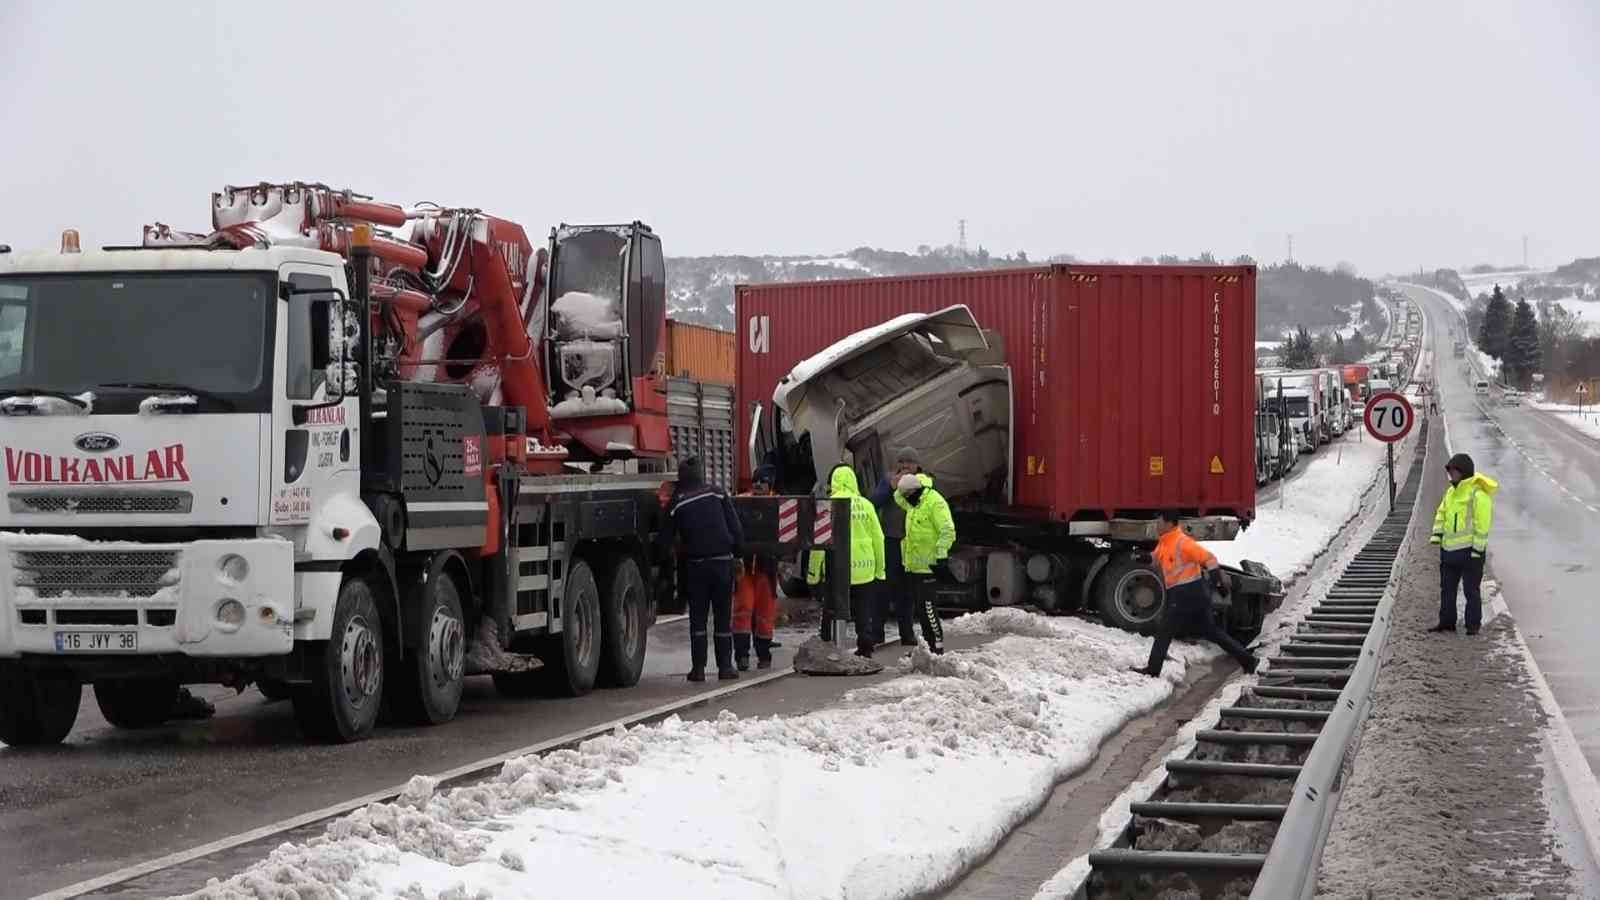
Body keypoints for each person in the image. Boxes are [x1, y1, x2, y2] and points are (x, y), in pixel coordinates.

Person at [1131, 510, 1259, 678]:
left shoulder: (1181, 542)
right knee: (1211, 631)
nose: (1157, 525)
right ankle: (1248, 660)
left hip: (1187, 593)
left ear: (1169, 523)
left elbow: (1209, 559)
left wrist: (1218, 582)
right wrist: (1142, 557)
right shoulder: (1165, 542)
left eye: (1159, 522)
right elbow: (1156, 558)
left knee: (1165, 631)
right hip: (1189, 593)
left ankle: (1153, 670)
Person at [655, 456, 745, 682]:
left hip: (696, 566)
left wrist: (660, 567)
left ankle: (698, 669)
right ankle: (725, 667)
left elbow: (665, 539)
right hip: (723, 562)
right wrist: (739, 555)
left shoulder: (678, 502)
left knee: (698, 619)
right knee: (723, 617)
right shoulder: (718, 493)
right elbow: (736, 527)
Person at [806, 463, 887, 658]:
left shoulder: (827, 506)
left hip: (837, 569)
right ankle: (865, 645)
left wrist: (813, 574)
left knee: (831, 607)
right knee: (863, 609)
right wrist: (880, 569)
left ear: (833, 482)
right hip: (865, 568)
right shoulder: (866, 505)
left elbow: (819, 545)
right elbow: (879, 538)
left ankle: (826, 642)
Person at [1428, 453, 1497, 635]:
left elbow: (1482, 524)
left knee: (1470, 591)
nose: (1451, 475)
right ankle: (1446, 622)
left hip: (1470, 554)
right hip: (1449, 552)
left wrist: (1477, 549)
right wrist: (1437, 534)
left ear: (1464, 472)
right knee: (1447, 590)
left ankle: (1472, 625)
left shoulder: (1477, 494)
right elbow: (1441, 513)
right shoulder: (1451, 492)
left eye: (1455, 471)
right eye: (1450, 471)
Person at [894, 471, 956, 654]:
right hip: (914, 566)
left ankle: (937, 645)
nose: (905, 499)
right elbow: (897, 497)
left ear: (915, 491)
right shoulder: (913, 503)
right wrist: (904, 482)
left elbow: (947, 530)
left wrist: (942, 554)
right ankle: (928, 646)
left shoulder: (934, 502)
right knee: (921, 608)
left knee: (929, 607)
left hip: (929, 565)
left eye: (907, 495)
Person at [870, 448, 923, 646]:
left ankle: (907, 634)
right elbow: (874, 502)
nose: (905, 466)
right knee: (883, 589)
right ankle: (877, 632)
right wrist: (890, 488)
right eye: (901, 462)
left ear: (917, 465)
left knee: (907, 592)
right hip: (890, 541)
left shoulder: (923, 482)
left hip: (912, 543)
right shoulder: (888, 480)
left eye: (909, 462)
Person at [732, 465, 781, 670]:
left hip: (766, 567)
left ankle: (763, 654)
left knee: (765, 612)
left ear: (770, 484)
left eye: (763, 481)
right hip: (744, 565)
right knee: (742, 609)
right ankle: (742, 655)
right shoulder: (742, 502)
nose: (759, 485)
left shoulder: (779, 505)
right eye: (756, 481)